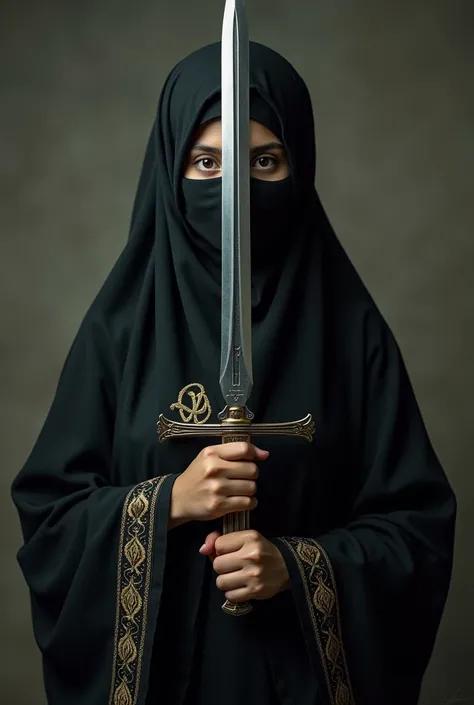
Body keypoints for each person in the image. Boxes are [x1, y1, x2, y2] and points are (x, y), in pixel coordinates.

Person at [11, 41, 456, 705]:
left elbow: (416, 530)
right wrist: (169, 502)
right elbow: (50, 520)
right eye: (207, 162)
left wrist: (300, 568)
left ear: (300, 166)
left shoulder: (353, 334)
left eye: (264, 162)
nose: (235, 194)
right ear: (172, 168)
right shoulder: (120, 330)